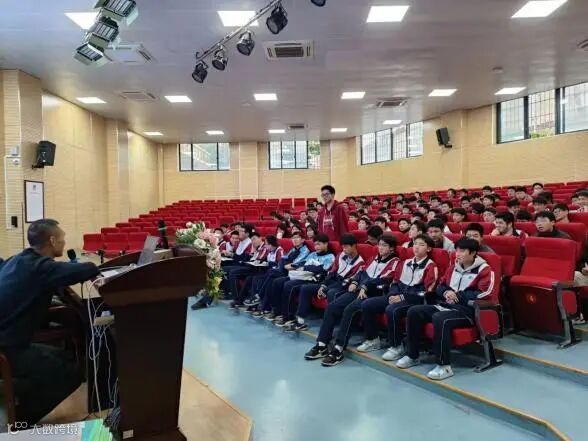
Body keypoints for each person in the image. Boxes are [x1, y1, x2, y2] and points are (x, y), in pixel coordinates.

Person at [0, 219, 99, 426]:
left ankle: (22, 401)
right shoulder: (42, 268)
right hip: (8, 350)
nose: (64, 242)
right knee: (71, 375)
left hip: (9, 341)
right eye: (62, 238)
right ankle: (21, 420)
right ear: (52, 241)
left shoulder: (18, 259)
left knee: (64, 356)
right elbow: (87, 269)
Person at [396, 238, 496, 380]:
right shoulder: (453, 267)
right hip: (446, 305)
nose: (458, 254)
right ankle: (412, 355)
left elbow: (486, 293)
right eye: (457, 250)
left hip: (467, 311)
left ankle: (444, 366)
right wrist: (446, 292)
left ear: (473, 253)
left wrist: (459, 295)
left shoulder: (485, 270)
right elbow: (441, 286)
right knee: (414, 311)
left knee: (440, 318)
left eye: (462, 251)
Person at [304, 236, 398, 365]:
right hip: (359, 290)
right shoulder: (373, 258)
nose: (380, 248)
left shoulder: (395, 262)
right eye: (380, 244)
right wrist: (354, 282)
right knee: (332, 307)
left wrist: (365, 286)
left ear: (392, 248)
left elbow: (386, 279)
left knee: (350, 310)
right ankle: (321, 344)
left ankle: (338, 349)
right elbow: (361, 272)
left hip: (374, 294)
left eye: (384, 245)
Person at [359, 235, 438, 357]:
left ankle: (396, 346)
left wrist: (401, 298)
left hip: (415, 300)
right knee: (367, 304)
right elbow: (395, 282)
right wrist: (393, 295)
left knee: (392, 309)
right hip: (397, 295)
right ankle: (373, 339)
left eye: (421, 245)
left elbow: (425, 291)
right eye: (415, 244)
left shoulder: (431, 266)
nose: (416, 247)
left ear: (428, 249)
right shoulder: (405, 263)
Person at [291, 234, 364, 331]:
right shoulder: (341, 255)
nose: (344, 249)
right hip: (332, 281)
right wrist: (323, 284)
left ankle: (330, 325)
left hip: (342, 285)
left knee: (331, 292)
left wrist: (325, 288)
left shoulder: (360, 262)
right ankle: (300, 321)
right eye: (342, 247)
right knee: (306, 288)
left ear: (354, 246)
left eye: (346, 247)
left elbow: (347, 281)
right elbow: (332, 272)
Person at [269, 234, 336, 326]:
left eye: (319, 244)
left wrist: (309, 267)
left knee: (289, 285)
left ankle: (288, 317)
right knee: (278, 281)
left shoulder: (330, 256)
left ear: (326, 244)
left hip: (314, 279)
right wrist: (309, 267)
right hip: (303, 275)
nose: (316, 247)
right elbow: (304, 265)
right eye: (315, 244)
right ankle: (278, 311)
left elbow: (323, 269)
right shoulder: (312, 254)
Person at [252, 232, 310, 317]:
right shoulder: (293, 249)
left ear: (303, 240)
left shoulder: (305, 250)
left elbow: (295, 263)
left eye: (297, 238)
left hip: (291, 272)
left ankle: (262, 300)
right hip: (283, 269)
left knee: (272, 274)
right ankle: (270, 309)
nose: (294, 240)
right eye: (293, 238)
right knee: (270, 279)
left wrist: (287, 263)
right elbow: (285, 258)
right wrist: (286, 262)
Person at [240, 235, 284, 308]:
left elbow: (280, 264)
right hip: (268, 271)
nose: (265, 246)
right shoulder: (269, 251)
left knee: (262, 278)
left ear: (271, 244)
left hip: (276, 273)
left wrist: (269, 264)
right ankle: (253, 301)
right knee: (254, 278)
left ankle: (259, 297)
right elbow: (262, 258)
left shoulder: (279, 250)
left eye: (266, 244)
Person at [227, 232, 269, 309]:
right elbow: (251, 257)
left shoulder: (264, 248)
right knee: (243, 276)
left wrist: (254, 253)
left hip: (259, 269)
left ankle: (238, 299)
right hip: (252, 267)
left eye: (254, 239)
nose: (253, 242)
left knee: (234, 273)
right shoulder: (256, 247)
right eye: (252, 240)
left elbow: (260, 259)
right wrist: (252, 254)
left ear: (260, 238)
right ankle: (238, 299)